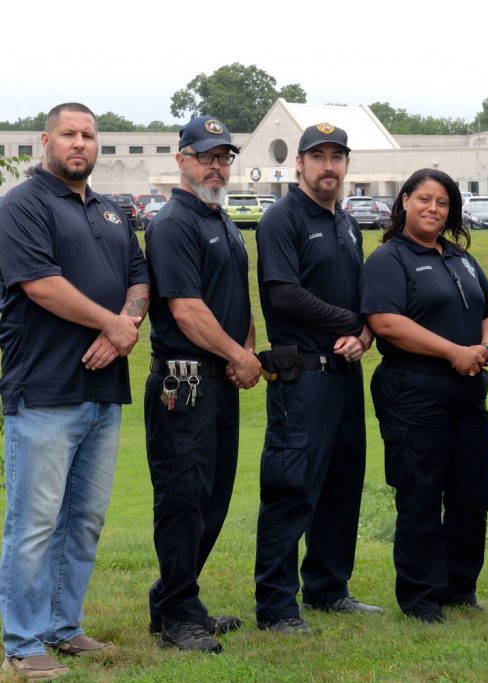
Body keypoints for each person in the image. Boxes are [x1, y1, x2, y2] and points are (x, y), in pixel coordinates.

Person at [0, 102, 149, 680]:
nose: (79, 143)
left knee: (84, 518)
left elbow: (139, 277)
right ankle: (22, 641)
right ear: (46, 141)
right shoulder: (23, 205)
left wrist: (126, 326)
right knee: (34, 522)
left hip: (103, 391)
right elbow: (40, 284)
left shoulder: (112, 212)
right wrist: (108, 324)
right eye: (69, 134)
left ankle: (64, 627)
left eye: (88, 135)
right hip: (43, 388)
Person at [253, 123, 381, 634]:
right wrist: (351, 323)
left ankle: (329, 588)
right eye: (318, 156)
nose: (329, 166)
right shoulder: (281, 219)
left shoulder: (347, 223)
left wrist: (366, 333)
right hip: (300, 378)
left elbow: (362, 297)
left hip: (345, 375)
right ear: (299, 164)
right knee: (291, 488)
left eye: (337, 156)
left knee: (341, 486)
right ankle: (277, 605)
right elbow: (283, 294)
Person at [361, 168, 488, 623]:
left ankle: (460, 588)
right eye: (424, 199)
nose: (433, 209)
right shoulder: (390, 259)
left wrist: (484, 349)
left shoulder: (460, 257)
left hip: (468, 394)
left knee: (472, 494)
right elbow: (385, 322)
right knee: (421, 493)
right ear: (404, 202)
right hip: (413, 393)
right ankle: (421, 596)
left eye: (442, 203)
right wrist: (453, 352)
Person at [144, 115, 262, 654]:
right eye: (206, 156)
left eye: (224, 157)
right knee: (183, 497)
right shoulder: (174, 222)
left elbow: (234, 298)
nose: (216, 166)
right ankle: (177, 620)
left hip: (220, 378)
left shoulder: (223, 220)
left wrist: (244, 351)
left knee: (212, 497)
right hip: (183, 381)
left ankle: (176, 597)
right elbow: (187, 311)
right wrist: (238, 355)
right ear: (181, 160)